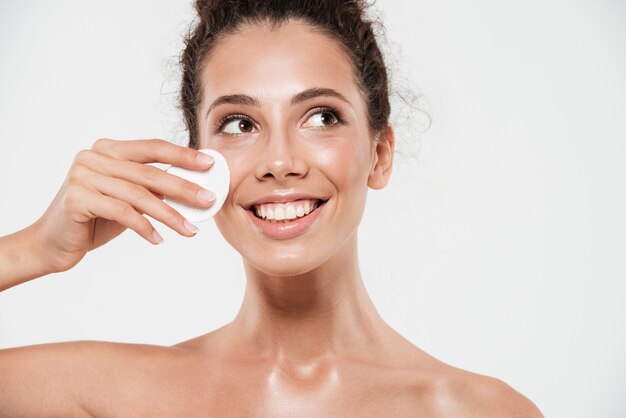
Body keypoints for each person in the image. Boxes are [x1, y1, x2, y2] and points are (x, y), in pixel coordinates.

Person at [0, 0, 543, 416]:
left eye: (321, 117)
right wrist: (34, 250)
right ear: (197, 161)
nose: (279, 162)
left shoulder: (480, 411)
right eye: (240, 124)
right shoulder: (114, 394)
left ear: (380, 154)